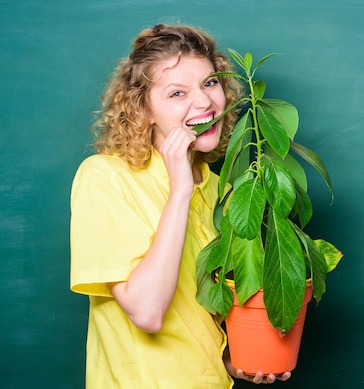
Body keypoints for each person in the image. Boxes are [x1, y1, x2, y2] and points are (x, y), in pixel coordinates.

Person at [70, 23, 291, 388]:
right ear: (143, 109)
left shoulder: (230, 194)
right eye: (177, 93)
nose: (204, 102)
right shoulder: (105, 177)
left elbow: (203, 316)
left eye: (210, 83)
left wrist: (236, 360)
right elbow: (148, 311)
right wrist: (180, 192)